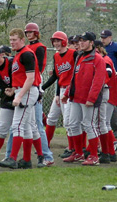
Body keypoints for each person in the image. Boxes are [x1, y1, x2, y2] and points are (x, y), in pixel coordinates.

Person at [0, 28, 42, 169]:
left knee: (17, 125)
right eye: (10, 40)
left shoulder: (26, 54)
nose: (12, 42)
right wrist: (14, 89)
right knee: (27, 127)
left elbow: (30, 78)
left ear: (22, 40)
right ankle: (27, 160)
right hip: (24, 90)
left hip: (28, 92)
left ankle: (12, 158)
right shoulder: (19, 54)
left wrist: (20, 95)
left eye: (15, 39)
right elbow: (22, 77)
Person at [62, 31, 106, 166]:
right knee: (73, 124)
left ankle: (94, 156)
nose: (81, 43)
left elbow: (98, 81)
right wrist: (67, 93)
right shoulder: (80, 56)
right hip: (76, 97)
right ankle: (78, 153)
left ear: (91, 43)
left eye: (84, 40)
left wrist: (91, 98)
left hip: (88, 99)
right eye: (79, 40)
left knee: (89, 125)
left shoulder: (97, 59)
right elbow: (74, 78)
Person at [41, 31, 77, 159]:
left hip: (70, 90)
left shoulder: (73, 53)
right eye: (54, 41)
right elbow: (57, 76)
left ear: (64, 41)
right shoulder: (56, 56)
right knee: (51, 117)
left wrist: (69, 91)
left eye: (58, 40)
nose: (56, 43)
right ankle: (45, 145)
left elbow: (76, 74)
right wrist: (44, 88)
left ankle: (72, 148)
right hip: (60, 90)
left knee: (68, 121)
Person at [24, 22, 54, 166]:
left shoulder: (39, 47)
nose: (28, 34)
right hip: (27, 82)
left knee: (36, 123)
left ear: (36, 33)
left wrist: (37, 88)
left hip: (35, 81)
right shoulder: (27, 47)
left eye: (31, 32)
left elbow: (40, 68)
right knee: (28, 123)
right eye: (27, 33)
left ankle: (47, 155)